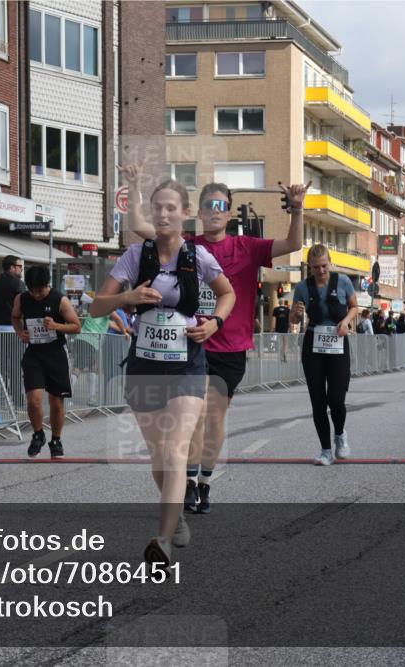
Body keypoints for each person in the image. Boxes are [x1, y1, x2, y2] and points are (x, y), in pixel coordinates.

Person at [124, 166, 308, 514]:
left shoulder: (246, 247)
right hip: (191, 345)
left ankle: (204, 480)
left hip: (230, 346)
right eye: (208, 204)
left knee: (214, 418)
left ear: (229, 212)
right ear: (199, 211)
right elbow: (140, 226)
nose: (215, 210)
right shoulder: (186, 246)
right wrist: (134, 187)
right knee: (194, 417)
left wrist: (296, 209)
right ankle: (190, 482)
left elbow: (293, 244)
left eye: (221, 205)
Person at [91, 178, 234, 567]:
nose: (164, 214)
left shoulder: (198, 256)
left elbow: (228, 293)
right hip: (144, 366)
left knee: (174, 451)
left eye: (172, 208)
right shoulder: (136, 255)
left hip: (187, 364)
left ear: (185, 213)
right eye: (158, 208)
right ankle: (178, 516)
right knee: (159, 458)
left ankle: (163, 541)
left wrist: (215, 323)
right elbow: (97, 307)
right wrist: (128, 296)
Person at [289, 244, 359, 466]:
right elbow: (293, 318)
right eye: (316, 267)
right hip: (314, 343)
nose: (320, 271)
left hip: (338, 341)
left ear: (330, 263)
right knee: (318, 401)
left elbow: (354, 307)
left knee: (336, 398)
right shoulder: (302, 287)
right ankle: (326, 451)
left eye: (324, 266)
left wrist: (346, 322)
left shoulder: (343, 281)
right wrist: (295, 313)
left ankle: (340, 434)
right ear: (309, 266)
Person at [12, 266, 82, 458]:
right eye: (32, 291)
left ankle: (56, 440)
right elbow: (15, 317)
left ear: (47, 285)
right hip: (34, 353)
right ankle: (38, 434)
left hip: (56, 354)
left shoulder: (60, 300)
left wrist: (56, 325)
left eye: (40, 291)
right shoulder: (21, 299)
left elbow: (76, 326)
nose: (36, 295)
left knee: (56, 402)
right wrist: (20, 332)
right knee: (33, 399)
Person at [0, 255, 26, 331]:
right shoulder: (18, 283)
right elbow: (24, 306)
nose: (22, 269)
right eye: (20, 266)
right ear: (12, 267)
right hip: (15, 327)